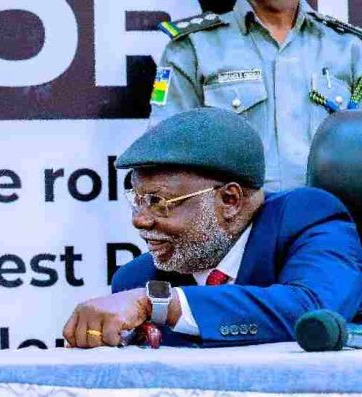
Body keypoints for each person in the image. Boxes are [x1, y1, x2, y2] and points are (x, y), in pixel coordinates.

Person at [62, 108, 362, 348]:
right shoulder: (137, 278)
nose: (139, 219)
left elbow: (314, 309)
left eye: (159, 201)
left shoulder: (308, 219)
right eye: (137, 200)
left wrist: (162, 304)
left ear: (229, 200)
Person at [150, 0, 362, 191]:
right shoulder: (191, 47)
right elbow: (167, 156)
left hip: (330, 223)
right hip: (237, 225)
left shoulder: (350, 47)